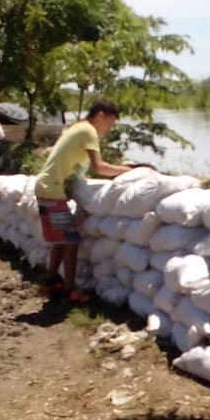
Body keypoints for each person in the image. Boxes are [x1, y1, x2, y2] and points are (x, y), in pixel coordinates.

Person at [33, 99, 133, 303]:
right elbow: (100, 167)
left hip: (48, 188)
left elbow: (76, 170)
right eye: (110, 123)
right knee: (71, 239)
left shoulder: (77, 128)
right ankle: (70, 290)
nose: (109, 128)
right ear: (100, 116)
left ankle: (52, 281)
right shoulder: (88, 131)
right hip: (52, 190)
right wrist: (131, 171)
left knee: (61, 240)